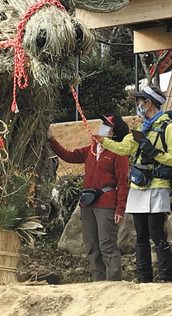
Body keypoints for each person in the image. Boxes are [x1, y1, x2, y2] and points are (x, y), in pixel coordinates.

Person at [96, 86, 172, 283]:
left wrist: (155, 153)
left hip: (158, 185)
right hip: (138, 186)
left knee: (156, 232)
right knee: (141, 233)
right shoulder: (142, 128)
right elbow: (125, 148)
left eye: (140, 101)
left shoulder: (170, 127)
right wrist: (104, 141)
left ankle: (167, 276)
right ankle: (144, 277)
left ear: (148, 102)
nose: (138, 105)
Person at [48, 115, 130, 281]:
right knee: (92, 245)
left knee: (107, 245)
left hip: (106, 204)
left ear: (114, 133)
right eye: (103, 124)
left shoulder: (118, 153)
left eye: (107, 125)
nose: (102, 127)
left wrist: (120, 209)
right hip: (88, 203)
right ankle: (97, 283)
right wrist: (51, 140)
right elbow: (68, 156)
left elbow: (123, 183)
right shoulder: (90, 150)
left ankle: (114, 284)